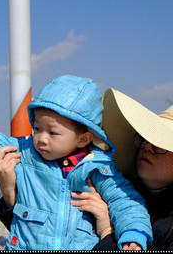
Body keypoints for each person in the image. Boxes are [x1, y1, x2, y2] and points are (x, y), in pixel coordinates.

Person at [0, 75, 152, 250]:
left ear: (83, 139)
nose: (41, 138)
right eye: (37, 128)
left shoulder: (99, 168)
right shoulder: (27, 152)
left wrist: (133, 234)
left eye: (53, 132)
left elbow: (125, 201)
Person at [71, 88, 173, 250]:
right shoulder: (110, 188)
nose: (146, 147)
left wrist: (106, 231)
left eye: (160, 144)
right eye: (145, 139)